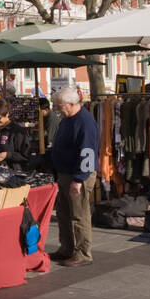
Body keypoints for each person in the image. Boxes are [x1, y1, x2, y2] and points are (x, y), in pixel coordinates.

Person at [49, 86, 99, 267]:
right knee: (63, 213)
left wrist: (79, 179)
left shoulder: (84, 121)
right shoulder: (67, 119)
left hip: (78, 175)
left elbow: (88, 152)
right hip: (64, 173)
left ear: (71, 104)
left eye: (59, 105)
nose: (57, 108)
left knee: (79, 214)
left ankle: (83, 252)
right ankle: (67, 248)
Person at [0, 98, 30, 168]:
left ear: (7, 114)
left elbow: (26, 156)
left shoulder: (18, 131)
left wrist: (7, 155)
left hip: (12, 173)